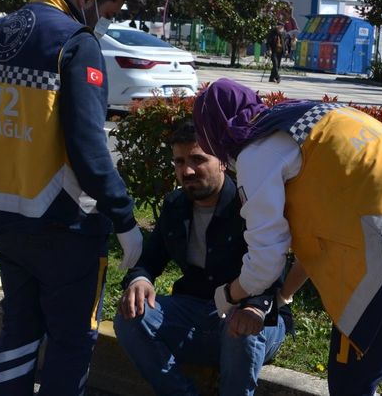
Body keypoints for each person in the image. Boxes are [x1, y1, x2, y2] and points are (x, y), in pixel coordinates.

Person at [192, 78, 382, 396]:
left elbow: (265, 261)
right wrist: (281, 297)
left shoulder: (256, 152)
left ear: (212, 130)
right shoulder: (303, 116)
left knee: (351, 382)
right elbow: (318, 240)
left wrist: (228, 294)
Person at [0, 0, 144, 395]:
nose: (103, 24)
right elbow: (88, 147)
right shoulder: (77, 43)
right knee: (71, 340)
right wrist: (125, 220)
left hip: (4, 219)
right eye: (107, 13)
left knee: (19, 331)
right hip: (65, 224)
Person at [113, 121, 291, 396]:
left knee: (242, 327)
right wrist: (140, 280)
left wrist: (254, 308)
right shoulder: (175, 204)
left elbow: (273, 272)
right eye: (179, 162)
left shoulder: (250, 206)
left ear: (222, 162)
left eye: (198, 159)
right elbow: (149, 260)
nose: (187, 171)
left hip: (254, 315)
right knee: (130, 318)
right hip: (194, 311)